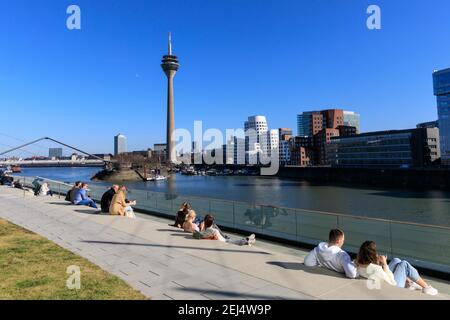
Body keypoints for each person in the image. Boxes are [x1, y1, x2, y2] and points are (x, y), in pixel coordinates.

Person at [355, 241, 438, 295]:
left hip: (378, 280)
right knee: (404, 264)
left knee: (396, 260)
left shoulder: (358, 263)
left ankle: (409, 283)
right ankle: (426, 287)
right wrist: (384, 264)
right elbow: (392, 283)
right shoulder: (376, 269)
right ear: (372, 255)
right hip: (392, 289)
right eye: (375, 252)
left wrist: (378, 264)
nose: (377, 254)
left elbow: (373, 272)